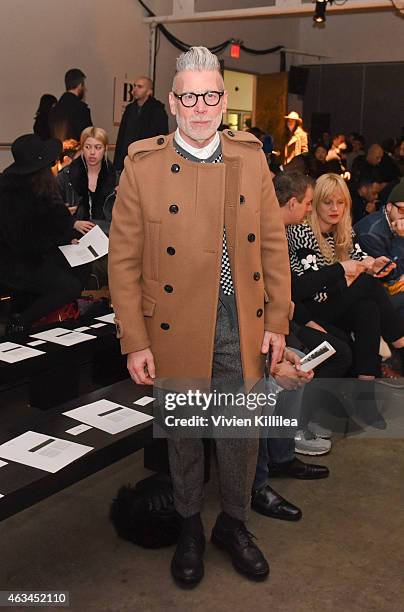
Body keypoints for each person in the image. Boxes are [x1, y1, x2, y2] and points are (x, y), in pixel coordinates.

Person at [109, 46, 292, 586]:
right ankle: (189, 525)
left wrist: (278, 320)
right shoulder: (142, 166)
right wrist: (134, 340)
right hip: (175, 325)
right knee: (186, 435)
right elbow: (122, 261)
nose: (200, 107)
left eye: (211, 96)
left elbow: (274, 246)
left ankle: (233, 524)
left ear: (222, 99)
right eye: (189, 97)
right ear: (172, 102)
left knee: (240, 435)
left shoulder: (251, 156)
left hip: (242, 321)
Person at [287, 173, 404, 421]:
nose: (334, 208)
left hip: (337, 304)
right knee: (367, 285)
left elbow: (360, 260)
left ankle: (365, 394)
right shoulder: (301, 231)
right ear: (315, 202)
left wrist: (374, 265)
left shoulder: (344, 231)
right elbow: (312, 290)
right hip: (312, 310)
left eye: (340, 203)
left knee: (368, 309)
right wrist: (353, 273)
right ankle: (401, 344)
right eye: (327, 202)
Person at [0, 134, 89, 334]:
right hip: (17, 262)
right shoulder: (27, 189)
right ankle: (22, 321)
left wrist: (64, 236)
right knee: (71, 285)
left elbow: (49, 224)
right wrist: (63, 236)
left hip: (26, 255)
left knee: (78, 265)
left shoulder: (18, 182)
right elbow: (28, 237)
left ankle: (40, 316)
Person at [354, 179, 404, 318]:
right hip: (370, 295)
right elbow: (389, 274)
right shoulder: (370, 233)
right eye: (402, 209)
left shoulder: (396, 222)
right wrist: (401, 239)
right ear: (388, 207)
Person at [57, 126, 116, 235]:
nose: (92, 152)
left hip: (106, 237)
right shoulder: (65, 176)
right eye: (87, 147)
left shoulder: (116, 178)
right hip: (73, 238)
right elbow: (51, 211)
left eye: (98, 147)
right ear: (82, 148)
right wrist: (73, 223)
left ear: (105, 149)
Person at [113, 76, 169, 173]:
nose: (134, 90)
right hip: (128, 159)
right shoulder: (129, 109)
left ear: (149, 91)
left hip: (148, 161)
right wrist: (117, 164)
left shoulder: (157, 111)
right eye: (134, 86)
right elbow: (121, 136)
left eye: (140, 87)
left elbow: (162, 139)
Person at [50, 69, 92, 141]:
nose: (84, 88)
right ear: (79, 85)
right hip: (76, 151)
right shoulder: (81, 109)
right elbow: (87, 138)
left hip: (57, 151)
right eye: (83, 85)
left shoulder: (54, 109)